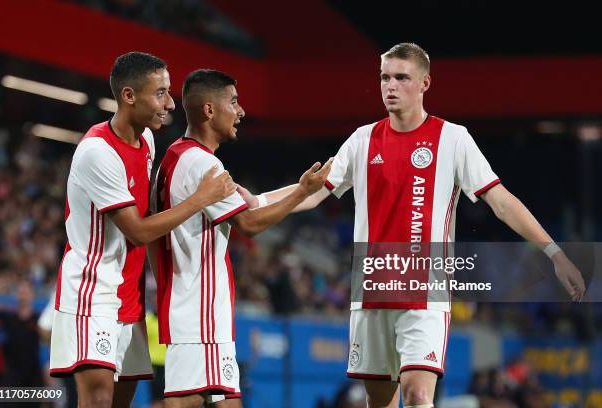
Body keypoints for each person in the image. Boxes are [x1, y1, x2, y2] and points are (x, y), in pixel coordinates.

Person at [238, 43, 586, 408]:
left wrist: (554, 253)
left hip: (426, 296)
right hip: (370, 292)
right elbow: (312, 192)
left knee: (418, 394)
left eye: (401, 77)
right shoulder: (362, 139)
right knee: (379, 402)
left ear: (424, 83)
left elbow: (501, 202)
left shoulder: (453, 139)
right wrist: (259, 201)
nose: (390, 85)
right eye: (385, 77)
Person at [49, 52, 235, 408]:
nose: (169, 103)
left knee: (121, 401)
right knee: (98, 399)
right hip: (92, 293)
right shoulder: (97, 152)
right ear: (129, 96)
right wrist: (201, 198)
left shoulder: (147, 141)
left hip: (129, 299)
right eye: (160, 93)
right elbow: (137, 230)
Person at [151, 69, 332, 408]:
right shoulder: (202, 165)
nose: (241, 111)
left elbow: (256, 204)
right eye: (233, 102)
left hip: (200, 314)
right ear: (209, 110)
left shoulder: (178, 157)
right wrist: (302, 192)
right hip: (197, 315)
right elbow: (249, 223)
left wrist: (320, 187)